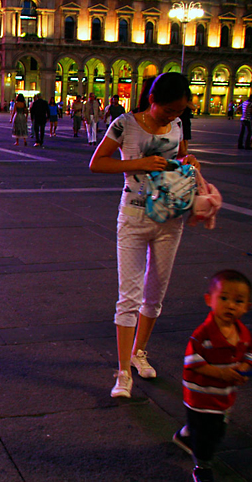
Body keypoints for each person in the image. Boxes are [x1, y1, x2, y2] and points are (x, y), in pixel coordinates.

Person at [89, 72, 201, 399]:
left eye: (179, 111)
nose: (173, 116)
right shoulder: (126, 124)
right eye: (168, 110)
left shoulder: (178, 126)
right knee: (129, 294)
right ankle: (123, 372)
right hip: (134, 214)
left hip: (169, 215)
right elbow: (97, 163)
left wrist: (187, 161)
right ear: (153, 100)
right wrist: (140, 163)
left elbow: (178, 162)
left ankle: (140, 353)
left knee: (156, 292)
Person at [172, 270, 252, 482]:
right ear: (209, 300)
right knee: (208, 436)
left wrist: (244, 369)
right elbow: (193, 364)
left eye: (238, 301)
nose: (230, 305)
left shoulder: (243, 334)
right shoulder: (203, 334)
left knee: (213, 429)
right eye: (224, 298)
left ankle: (186, 435)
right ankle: (202, 466)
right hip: (200, 396)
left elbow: (248, 356)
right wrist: (222, 373)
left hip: (224, 396)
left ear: (247, 307)